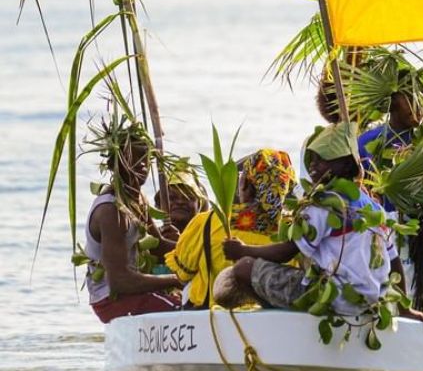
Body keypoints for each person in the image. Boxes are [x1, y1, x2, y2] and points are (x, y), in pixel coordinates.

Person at [220, 123, 423, 328]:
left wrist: (242, 250)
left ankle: (284, 325)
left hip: (333, 298)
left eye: (321, 160)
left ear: (345, 164)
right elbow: (394, 262)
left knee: (243, 268)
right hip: (369, 303)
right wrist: (405, 309)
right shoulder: (374, 208)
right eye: (312, 160)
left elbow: (286, 252)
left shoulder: (322, 205)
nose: (312, 166)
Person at [165, 149, 295, 308]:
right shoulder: (295, 227)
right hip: (277, 320)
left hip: (213, 320)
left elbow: (183, 275)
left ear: (245, 184)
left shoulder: (206, 221)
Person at [85, 122, 183, 323]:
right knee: (185, 311)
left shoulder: (137, 199)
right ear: (114, 164)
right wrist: (178, 280)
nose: (142, 166)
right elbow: (120, 282)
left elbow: (158, 246)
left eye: (145, 158)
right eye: (132, 158)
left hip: (132, 290)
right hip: (111, 299)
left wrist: (199, 251)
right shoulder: (112, 211)